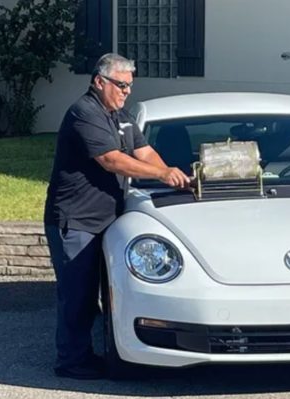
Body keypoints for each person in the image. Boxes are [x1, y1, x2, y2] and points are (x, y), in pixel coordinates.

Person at [44, 53, 189, 379]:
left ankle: (87, 353)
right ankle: (70, 361)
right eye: (121, 85)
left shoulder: (120, 115)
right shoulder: (85, 113)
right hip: (76, 220)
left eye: (129, 87)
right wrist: (162, 175)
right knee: (77, 294)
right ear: (99, 81)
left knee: (101, 292)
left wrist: (166, 171)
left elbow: (143, 151)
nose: (126, 92)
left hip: (108, 218)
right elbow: (111, 160)